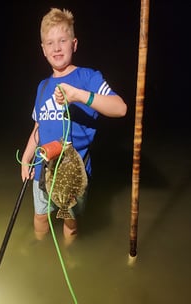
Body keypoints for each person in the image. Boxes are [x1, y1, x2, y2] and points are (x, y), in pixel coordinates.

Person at [21, 7, 127, 244]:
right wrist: (27, 158)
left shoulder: (88, 78)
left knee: (69, 221)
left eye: (62, 40)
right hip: (42, 171)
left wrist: (80, 96)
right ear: (43, 50)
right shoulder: (43, 86)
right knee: (40, 216)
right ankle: (39, 250)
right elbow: (38, 128)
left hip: (73, 175)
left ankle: (69, 258)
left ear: (74, 43)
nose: (57, 47)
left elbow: (120, 108)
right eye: (50, 42)